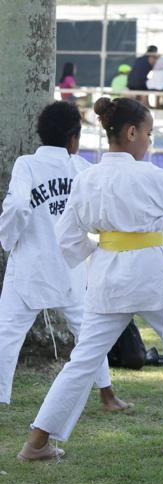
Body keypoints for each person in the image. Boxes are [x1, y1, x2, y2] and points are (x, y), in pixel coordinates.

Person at [16, 97, 163, 462]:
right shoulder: (149, 176)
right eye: (148, 133)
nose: (149, 141)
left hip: (107, 274)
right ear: (131, 132)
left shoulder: (87, 178)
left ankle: (36, 443)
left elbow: (66, 240)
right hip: (152, 273)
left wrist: (99, 252)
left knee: (83, 360)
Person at [0, 101, 128, 418]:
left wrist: (8, 240)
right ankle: (108, 395)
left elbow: (16, 207)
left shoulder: (27, 164)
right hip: (70, 269)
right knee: (88, 333)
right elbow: (103, 210)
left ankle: (1, 400)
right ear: (74, 138)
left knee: (6, 335)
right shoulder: (83, 170)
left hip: (29, 265)